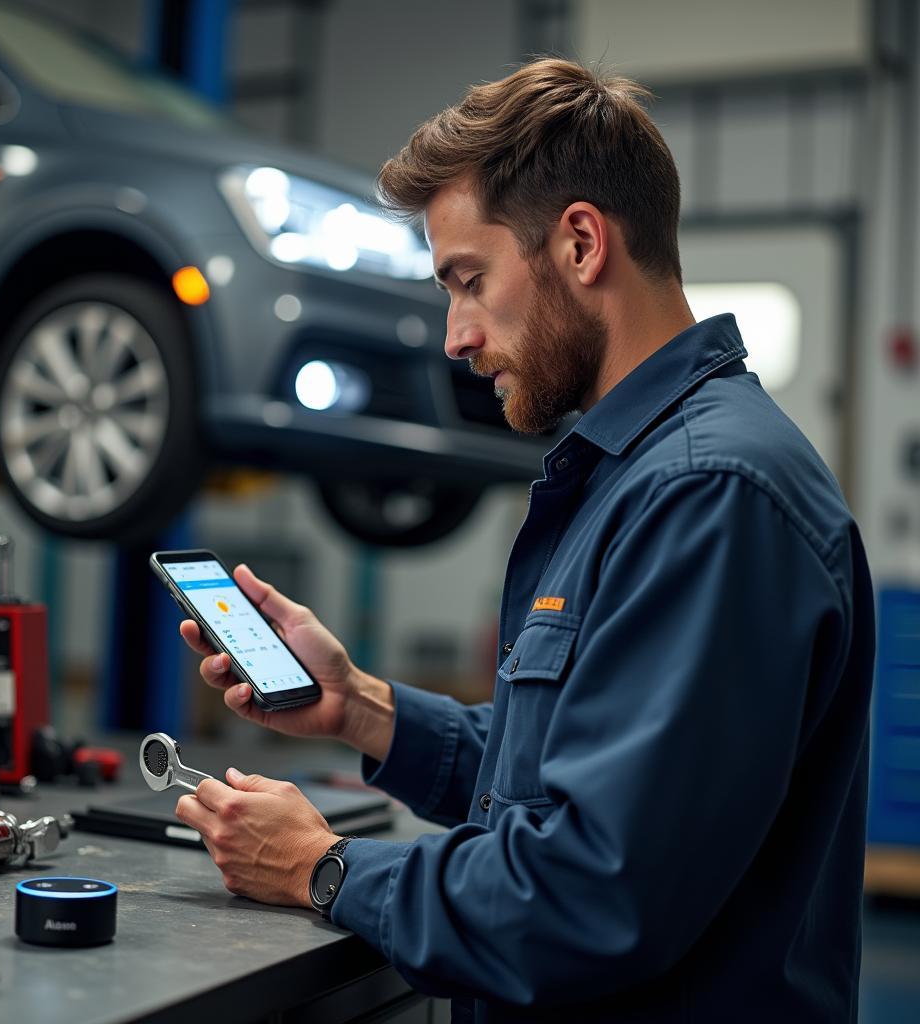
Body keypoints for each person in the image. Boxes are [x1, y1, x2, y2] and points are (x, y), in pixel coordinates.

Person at [175, 58, 875, 1023]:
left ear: (581, 243)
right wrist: (363, 709)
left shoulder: (710, 497)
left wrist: (325, 869)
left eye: (470, 280)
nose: (455, 336)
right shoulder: (637, 475)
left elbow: (591, 896)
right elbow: (561, 784)